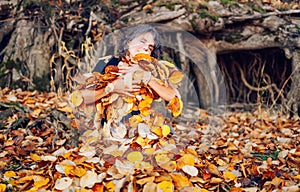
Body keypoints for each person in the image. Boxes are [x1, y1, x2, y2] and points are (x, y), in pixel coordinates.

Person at [77, 24, 182, 137]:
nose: (146, 47)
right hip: (115, 132)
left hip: (151, 131)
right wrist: (112, 88)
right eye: (142, 41)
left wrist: (147, 78)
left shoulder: (156, 69)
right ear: (129, 42)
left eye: (150, 47)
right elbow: (81, 97)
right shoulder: (108, 64)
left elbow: (174, 98)